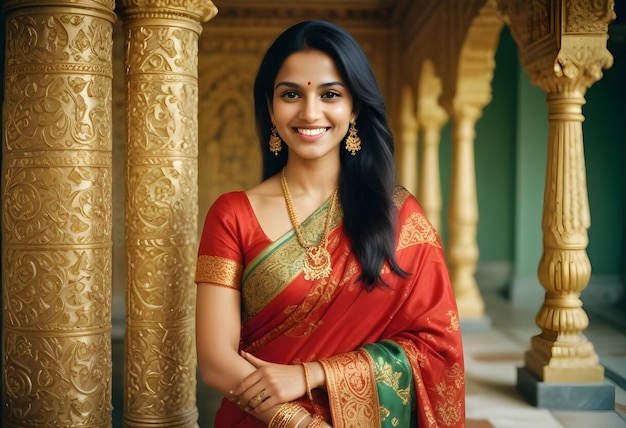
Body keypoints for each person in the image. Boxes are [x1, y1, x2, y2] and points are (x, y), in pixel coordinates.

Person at [195, 20, 465, 428]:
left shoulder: (398, 216)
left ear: (354, 107)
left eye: (330, 94)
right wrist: (299, 423)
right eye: (291, 94)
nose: (309, 112)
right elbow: (216, 363)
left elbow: (436, 348)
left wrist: (312, 373)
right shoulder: (232, 213)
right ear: (270, 107)